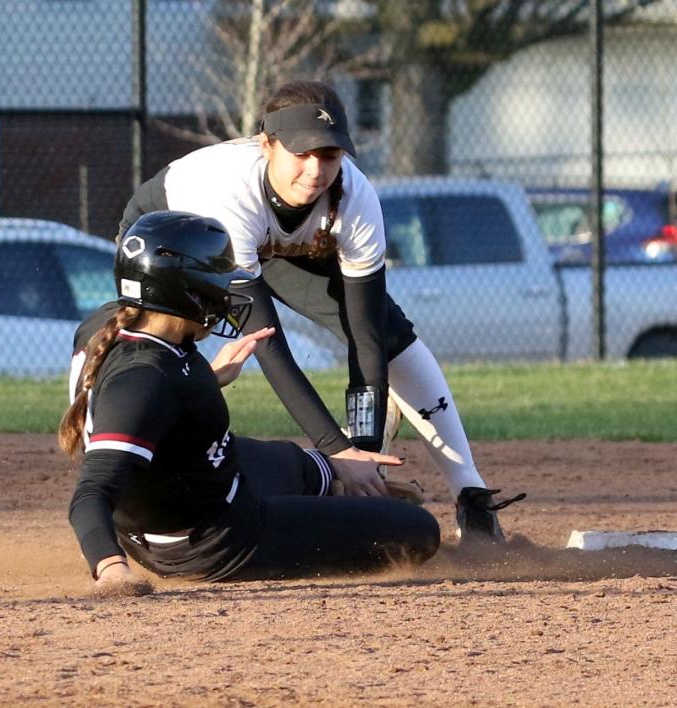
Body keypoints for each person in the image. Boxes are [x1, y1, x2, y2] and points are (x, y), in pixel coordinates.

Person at [118, 79, 523, 542]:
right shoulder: (228, 190)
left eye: (329, 155)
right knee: (166, 345)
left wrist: (364, 452)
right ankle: (130, 471)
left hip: (276, 245)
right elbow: (271, 348)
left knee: (389, 336)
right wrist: (337, 450)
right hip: (180, 239)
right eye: (302, 153)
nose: (315, 169)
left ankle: (471, 496)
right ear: (268, 145)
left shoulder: (356, 198)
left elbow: (366, 339)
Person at [61, 211, 440, 587]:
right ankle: (348, 508)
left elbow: (151, 404)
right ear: (186, 291)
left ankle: (334, 481)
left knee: (308, 468)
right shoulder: (145, 379)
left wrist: (207, 380)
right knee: (418, 531)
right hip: (214, 540)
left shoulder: (114, 326)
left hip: (197, 484)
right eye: (218, 281)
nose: (227, 294)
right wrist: (112, 569)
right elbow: (92, 491)